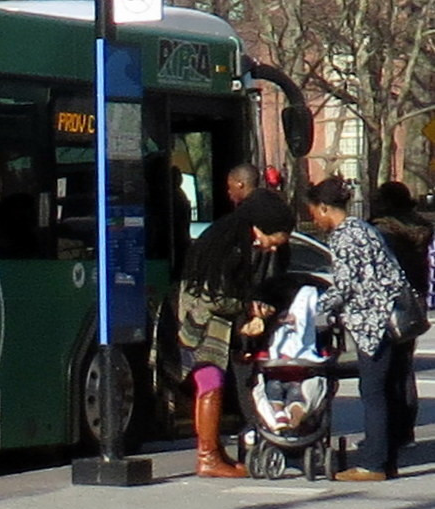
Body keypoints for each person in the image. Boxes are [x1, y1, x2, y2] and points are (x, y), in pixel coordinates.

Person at [175, 187, 294, 477]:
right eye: (273, 240)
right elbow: (215, 297)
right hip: (203, 327)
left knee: (211, 383)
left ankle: (213, 452)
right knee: (211, 384)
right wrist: (250, 307)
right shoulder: (232, 247)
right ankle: (208, 457)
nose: (273, 248)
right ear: (260, 226)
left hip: (203, 322)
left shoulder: (233, 236)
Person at [305, 178, 416, 480]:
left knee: (373, 392)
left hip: (373, 323)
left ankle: (373, 464)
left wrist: (314, 309)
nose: (314, 219)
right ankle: (386, 458)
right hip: (391, 319)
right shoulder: (365, 229)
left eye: (314, 212)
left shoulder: (344, 236)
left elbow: (344, 285)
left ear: (325, 207)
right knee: (388, 390)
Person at [369, 181, 430, 443]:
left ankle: (390, 428)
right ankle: (406, 426)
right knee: (405, 365)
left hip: (391, 301)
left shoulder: (383, 232)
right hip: (415, 299)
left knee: (386, 369)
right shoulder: (421, 229)